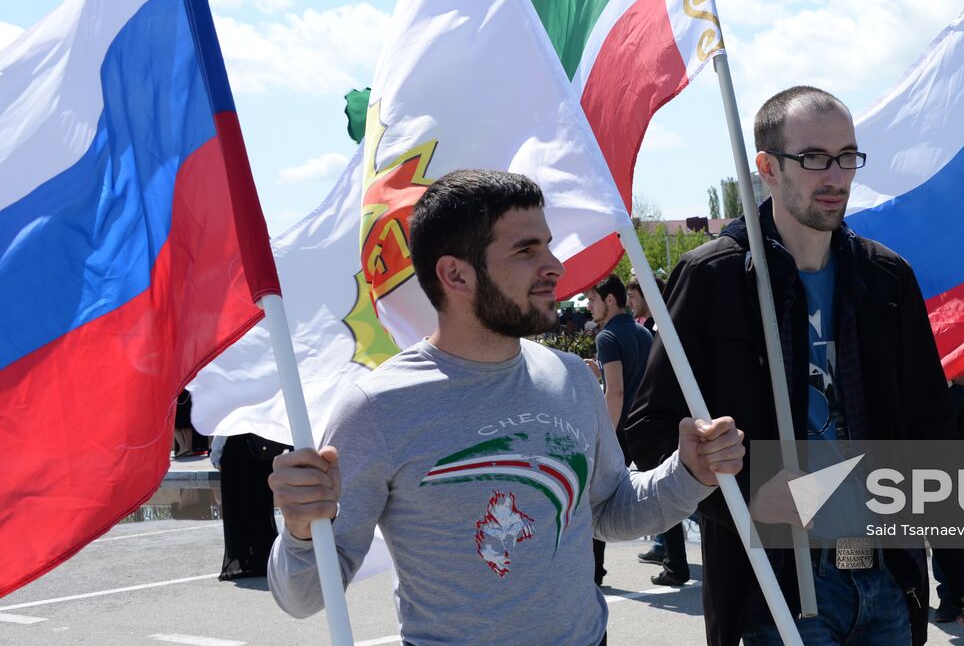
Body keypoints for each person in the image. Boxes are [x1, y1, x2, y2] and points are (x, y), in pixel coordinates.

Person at [266, 170, 746, 645]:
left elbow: (610, 511)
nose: (555, 265)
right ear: (455, 274)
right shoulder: (377, 409)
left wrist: (689, 472)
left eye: (548, 244)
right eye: (526, 250)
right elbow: (304, 596)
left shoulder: (572, 378)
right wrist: (301, 529)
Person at [626, 86, 964, 645]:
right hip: (773, 589)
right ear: (768, 168)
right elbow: (650, 432)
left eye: (847, 156)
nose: (837, 176)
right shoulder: (714, 277)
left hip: (886, 574)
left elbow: (933, 433)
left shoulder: (887, 279)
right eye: (815, 158)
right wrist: (749, 491)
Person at [584, 274, 675, 586]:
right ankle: (677, 564)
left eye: (593, 299)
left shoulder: (606, 338)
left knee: (596, 498)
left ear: (610, 300)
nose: (588, 306)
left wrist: (605, 435)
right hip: (647, 423)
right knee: (662, 491)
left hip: (621, 428)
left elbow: (616, 391)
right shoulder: (642, 332)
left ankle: (594, 572)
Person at [211, 433, 288, 580]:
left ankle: (243, 559)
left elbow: (224, 429)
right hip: (260, 450)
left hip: (237, 452)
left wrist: (215, 456)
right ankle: (263, 556)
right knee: (260, 506)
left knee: (237, 507)